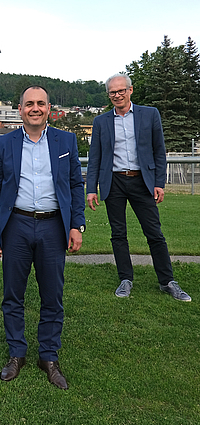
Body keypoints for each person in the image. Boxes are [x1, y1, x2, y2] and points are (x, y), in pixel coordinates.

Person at [0, 86, 85, 390]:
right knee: (13, 295)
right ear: (20, 110)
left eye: (40, 103)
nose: (35, 108)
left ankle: (49, 356)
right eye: (29, 104)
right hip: (15, 225)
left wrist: (76, 225)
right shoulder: (4, 143)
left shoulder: (65, 140)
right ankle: (17, 353)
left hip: (54, 227)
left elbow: (75, 185)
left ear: (49, 108)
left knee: (52, 296)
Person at [86, 74, 191, 302]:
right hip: (113, 182)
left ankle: (167, 281)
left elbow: (158, 151)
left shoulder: (150, 114)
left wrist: (158, 183)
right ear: (109, 95)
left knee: (154, 233)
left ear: (130, 90)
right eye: (112, 92)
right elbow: (95, 157)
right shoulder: (101, 122)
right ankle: (126, 279)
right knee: (118, 234)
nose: (117, 95)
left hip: (142, 182)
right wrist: (91, 188)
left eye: (121, 90)